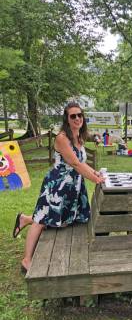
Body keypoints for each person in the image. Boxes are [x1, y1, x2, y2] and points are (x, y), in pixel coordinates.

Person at [12, 102, 104, 273]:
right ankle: (26, 260)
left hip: (73, 185)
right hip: (57, 185)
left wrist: (96, 173)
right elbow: (75, 163)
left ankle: (24, 219)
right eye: (73, 116)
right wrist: (95, 179)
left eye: (79, 115)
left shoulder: (79, 137)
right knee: (41, 220)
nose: (77, 118)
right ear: (67, 119)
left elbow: (82, 162)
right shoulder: (62, 138)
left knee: (59, 219)